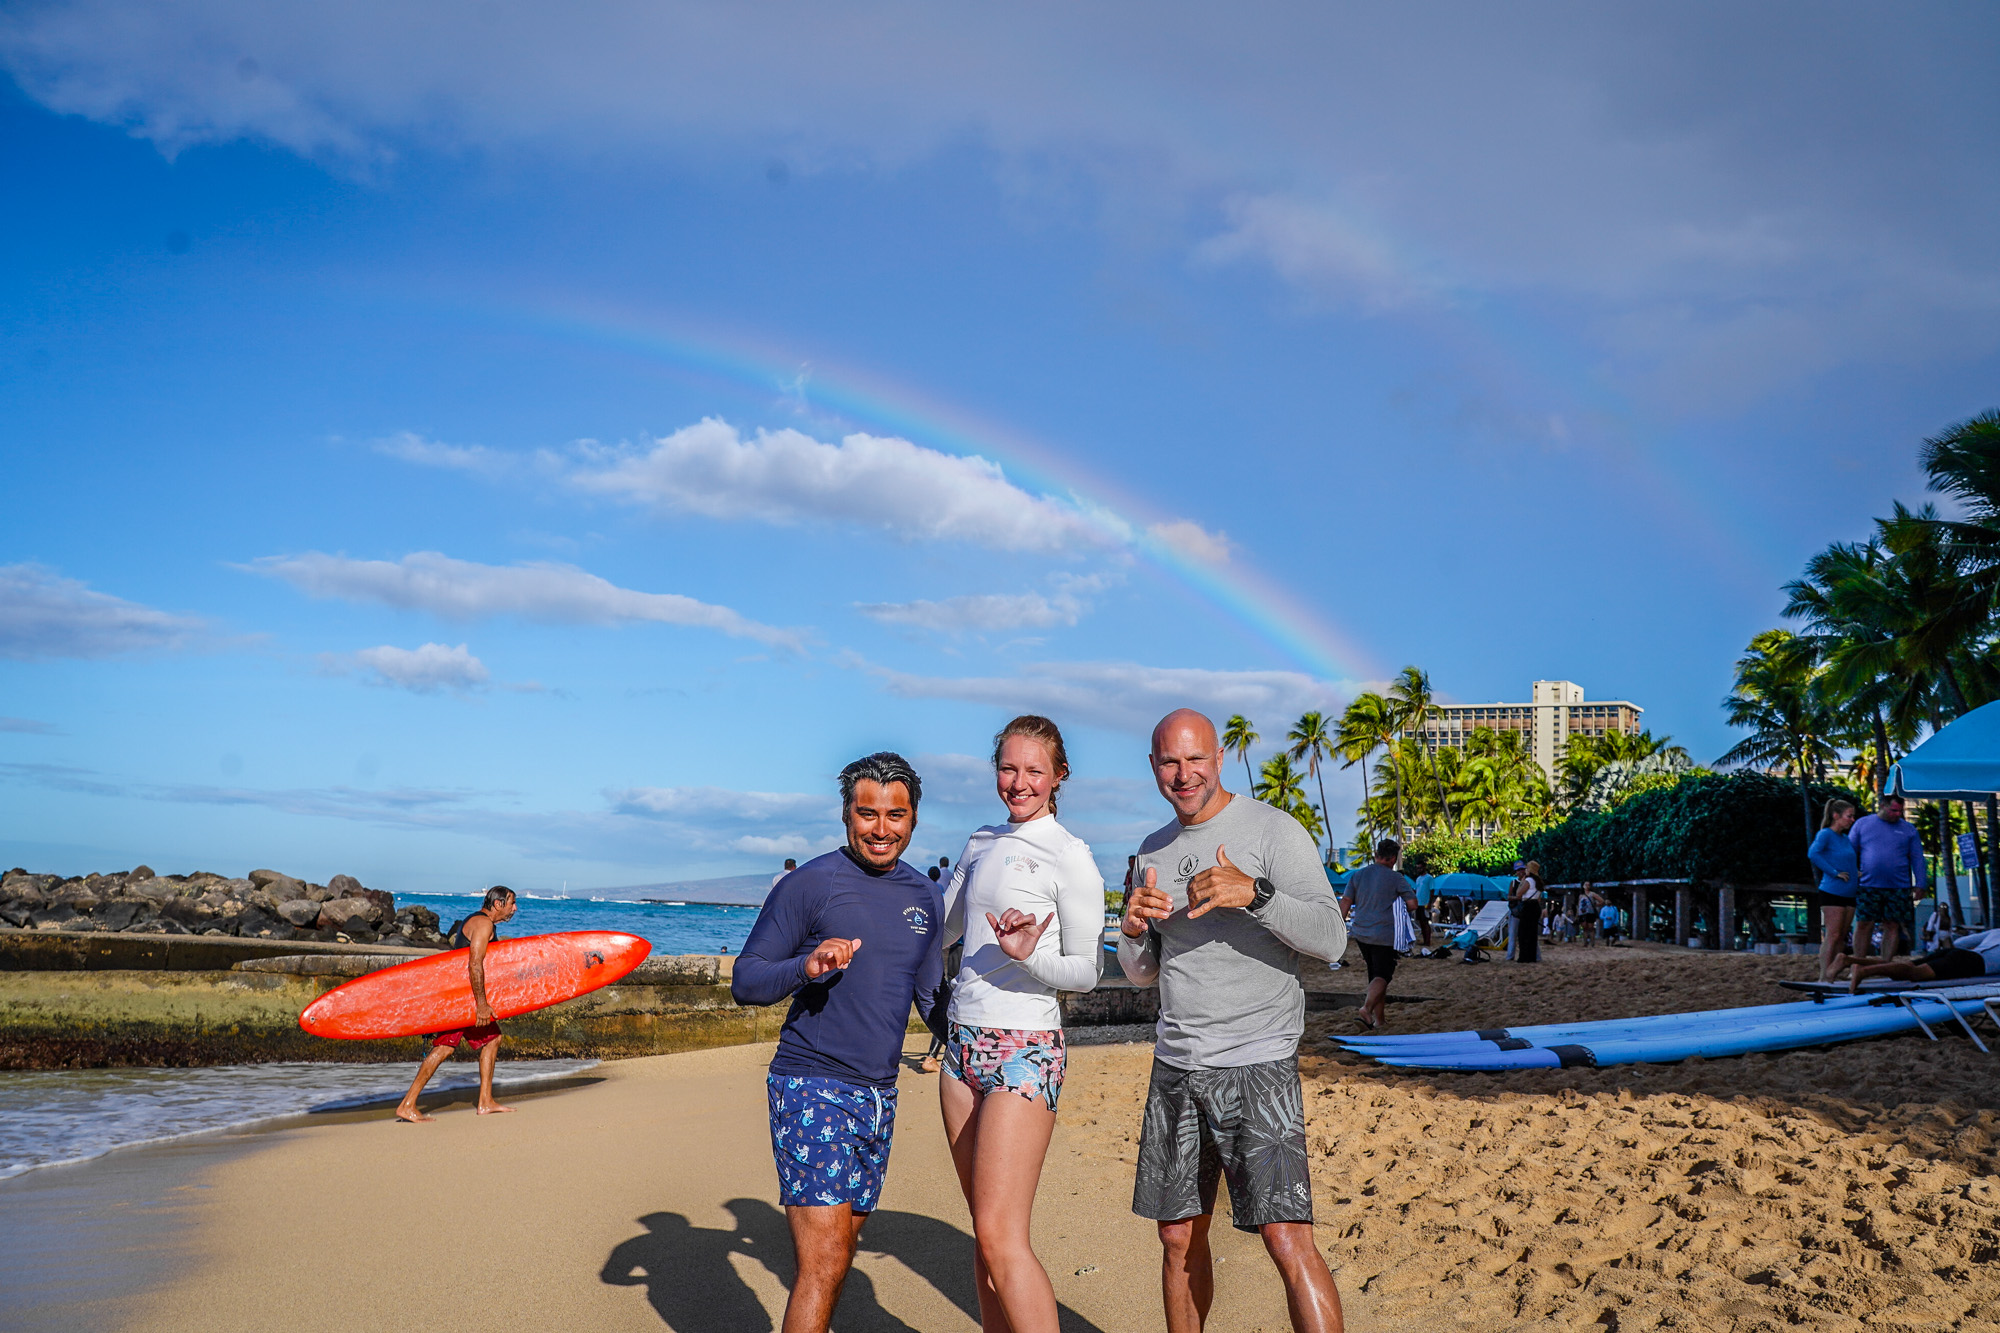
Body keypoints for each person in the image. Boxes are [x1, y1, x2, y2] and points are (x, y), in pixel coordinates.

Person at [1119, 708, 1347, 1333]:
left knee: (1285, 1236)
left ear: (1219, 759)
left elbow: (1331, 939)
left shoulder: (1274, 831)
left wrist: (1258, 894)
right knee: (1175, 1238)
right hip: (1176, 1063)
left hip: (1258, 1059)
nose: (1184, 773)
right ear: (1154, 767)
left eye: (1196, 759)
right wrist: (1132, 930)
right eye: (1170, 761)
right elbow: (1144, 973)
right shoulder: (1149, 851)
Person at [731, 753, 947, 1333]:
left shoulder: (926, 896)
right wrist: (808, 965)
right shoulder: (810, 885)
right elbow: (746, 980)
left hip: (879, 1095)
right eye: (867, 813)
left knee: (839, 1253)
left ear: (914, 819)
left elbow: (931, 1000)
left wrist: (1004, 988)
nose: (882, 829)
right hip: (810, 1083)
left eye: (895, 815)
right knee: (824, 1258)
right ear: (846, 814)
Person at [938, 715, 1103, 1333]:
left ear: (1059, 776)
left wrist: (1027, 954)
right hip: (961, 1048)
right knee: (984, 1240)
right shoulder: (980, 841)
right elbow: (943, 927)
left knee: (1002, 1238)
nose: (1019, 782)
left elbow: (1087, 970)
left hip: (1024, 1048)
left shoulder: (1071, 856)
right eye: (1008, 767)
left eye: (1035, 770)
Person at [396, 885, 519, 1123]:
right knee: (444, 1047)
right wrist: (481, 1005)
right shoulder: (483, 925)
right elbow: (475, 964)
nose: (514, 909)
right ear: (497, 904)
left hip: (462, 994)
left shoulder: (477, 920)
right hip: (462, 998)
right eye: (511, 903)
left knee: (492, 1039)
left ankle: (485, 1101)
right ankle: (407, 1104)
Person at [1339, 839, 1418, 1029]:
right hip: (1385, 934)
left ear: (1376, 855)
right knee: (1383, 976)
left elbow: (1345, 904)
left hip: (1361, 934)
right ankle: (1366, 1009)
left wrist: (1337, 926)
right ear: (1392, 858)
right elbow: (1413, 904)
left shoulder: (1358, 875)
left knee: (1375, 976)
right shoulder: (1396, 878)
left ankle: (1380, 1021)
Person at [1850, 796, 1928, 964]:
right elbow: (1849, 851)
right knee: (1864, 924)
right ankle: (1858, 963)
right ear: (1882, 806)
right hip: (1868, 885)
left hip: (1898, 886)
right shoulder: (1863, 824)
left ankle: (1885, 964)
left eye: (1900, 811)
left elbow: (1917, 858)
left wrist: (1921, 883)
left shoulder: (1908, 830)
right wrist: (1851, 873)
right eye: (1893, 810)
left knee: (1892, 925)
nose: (1897, 814)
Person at [1842, 926, 2000, 991]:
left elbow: (1960, 943)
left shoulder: (1996, 931)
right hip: (1974, 963)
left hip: (1955, 953)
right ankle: (1863, 972)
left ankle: (1849, 960)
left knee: (1903, 966)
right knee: (1915, 973)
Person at [1808, 798, 1859, 982]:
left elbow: (1847, 861)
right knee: (1833, 934)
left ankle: (1833, 974)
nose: (1852, 820)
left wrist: (1855, 873)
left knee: (1842, 936)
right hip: (1832, 892)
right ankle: (1823, 976)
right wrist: (1834, 873)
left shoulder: (1845, 839)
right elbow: (1813, 853)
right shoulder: (1825, 834)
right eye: (1849, 816)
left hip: (1850, 893)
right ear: (1836, 816)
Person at [1512, 861, 1546, 962]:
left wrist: (1522, 881)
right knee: (1532, 934)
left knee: (1523, 933)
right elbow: (1539, 898)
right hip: (1535, 906)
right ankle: (1532, 957)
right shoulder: (1538, 882)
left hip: (1528, 906)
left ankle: (1524, 957)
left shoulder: (1529, 880)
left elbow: (1519, 893)